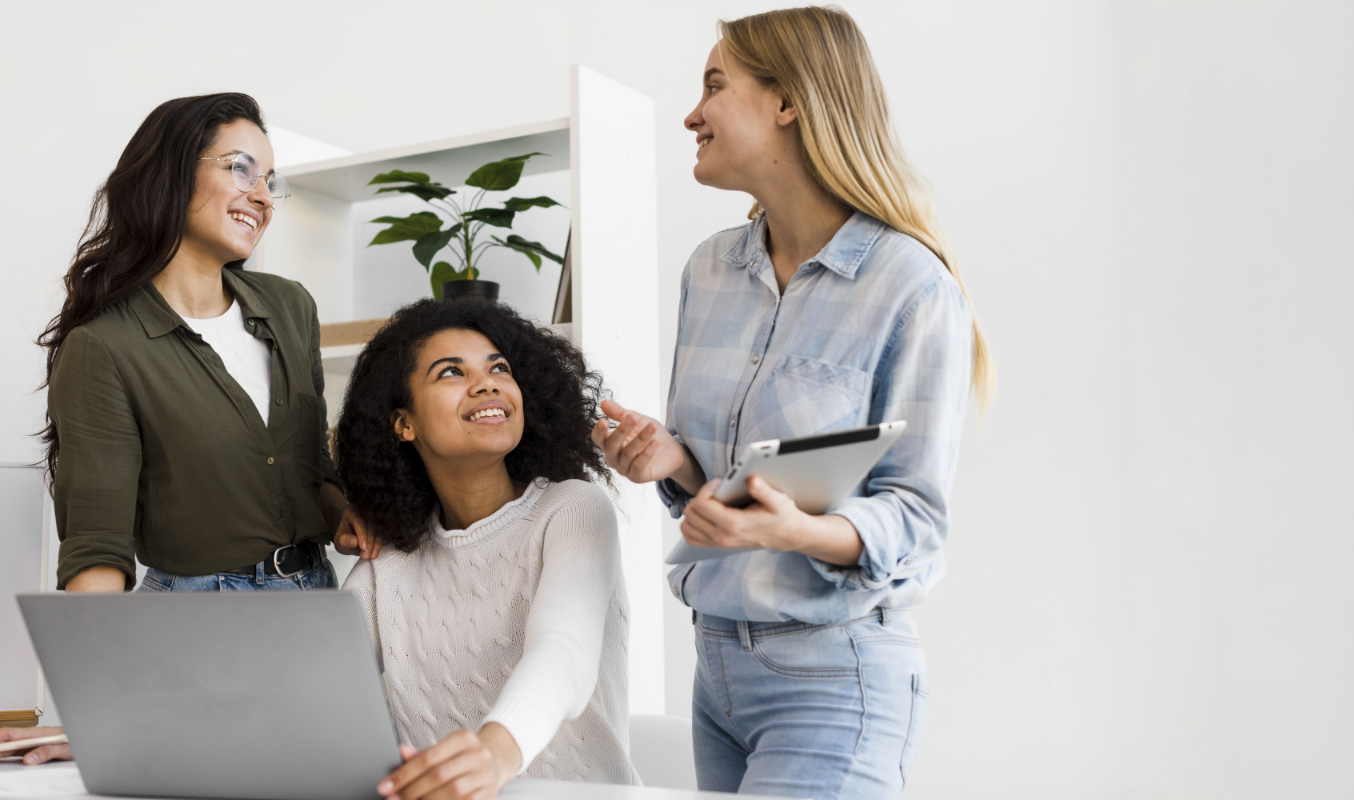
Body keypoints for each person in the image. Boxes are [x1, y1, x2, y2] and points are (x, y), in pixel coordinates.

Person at [592, 7, 993, 798]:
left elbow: (915, 523)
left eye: (714, 86)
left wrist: (797, 530)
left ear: (789, 102)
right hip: (718, 673)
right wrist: (674, 462)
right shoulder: (709, 270)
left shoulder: (910, 286)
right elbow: (725, 485)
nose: (691, 113)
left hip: (833, 676)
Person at [0, 93, 379, 765]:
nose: (261, 196)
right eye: (241, 169)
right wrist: (98, 714)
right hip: (198, 624)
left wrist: (344, 512)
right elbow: (97, 551)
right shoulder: (105, 346)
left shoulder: (289, 307)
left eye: (270, 181)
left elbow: (309, 473)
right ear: (173, 172)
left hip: (318, 606)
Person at [337, 298, 638, 800]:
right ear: (403, 423)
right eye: (451, 372)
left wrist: (495, 754)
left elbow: (563, 653)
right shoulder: (387, 564)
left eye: (499, 367)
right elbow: (321, 682)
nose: (487, 382)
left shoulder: (573, 510)